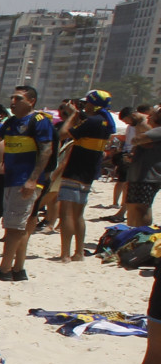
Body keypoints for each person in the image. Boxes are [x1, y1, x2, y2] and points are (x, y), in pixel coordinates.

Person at [0, 85, 55, 282]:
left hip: (25, 181)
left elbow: (46, 151)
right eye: (12, 98)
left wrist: (33, 179)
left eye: (18, 99)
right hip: (12, 179)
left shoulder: (39, 121)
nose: (13, 103)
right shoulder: (11, 122)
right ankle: (17, 269)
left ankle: (5, 269)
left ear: (31, 101)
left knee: (14, 227)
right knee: (20, 226)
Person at [49, 89, 115, 262]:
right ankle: (78, 252)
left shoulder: (92, 121)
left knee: (66, 214)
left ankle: (65, 254)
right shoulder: (105, 122)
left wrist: (72, 116)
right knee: (78, 214)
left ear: (92, 104)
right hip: (89, 172)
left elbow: (62, 134)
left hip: (75, 170)